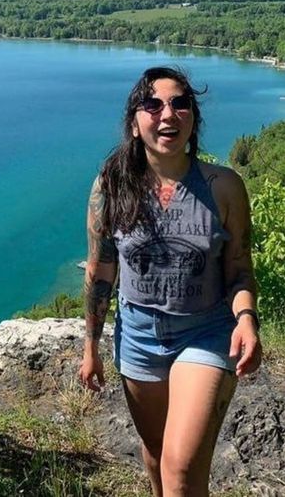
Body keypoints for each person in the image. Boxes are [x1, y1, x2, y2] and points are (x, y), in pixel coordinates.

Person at [79, 66, 262, 496]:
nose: (168, 115)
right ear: (134, 120)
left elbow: (238, 269)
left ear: (193, 117)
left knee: (180, 467)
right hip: (138, 335)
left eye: (180, 103)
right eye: (153, 104)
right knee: (157, 452)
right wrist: (90, 349)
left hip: (205, 331)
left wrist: (246, 318)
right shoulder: (111, 186)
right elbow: (100, 270)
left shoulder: (224, 188)